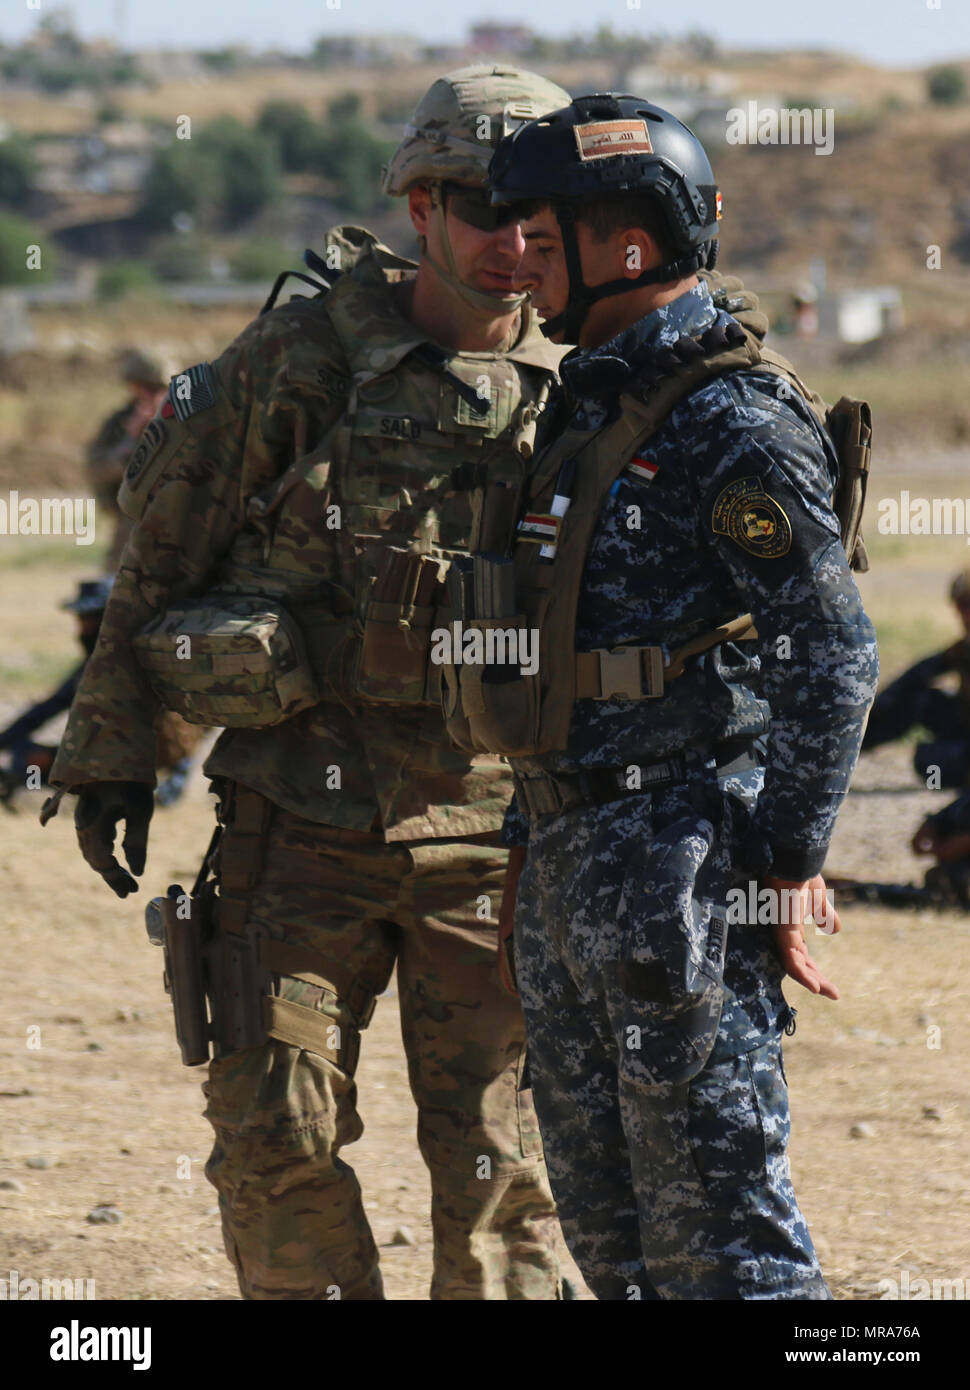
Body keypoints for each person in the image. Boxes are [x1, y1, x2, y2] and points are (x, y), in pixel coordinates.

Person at [42, 65, 573, 1301]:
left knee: (502, 1173)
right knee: (273, 1142)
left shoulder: (595, 380)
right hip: (296, 832)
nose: (509, 244)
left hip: (501, 847)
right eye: (480, 209)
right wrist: (118, 751)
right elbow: (160, 553)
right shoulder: (302, 356)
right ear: (419, 204)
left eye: (535, 220)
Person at [445, 92, 879, 1298]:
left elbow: (831, 656)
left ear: (627, 246)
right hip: (574, 858)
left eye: (548, 231)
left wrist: (782, 860)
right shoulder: (583, 409)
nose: (520, 253)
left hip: (680, 869)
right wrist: (532, 844)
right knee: (613, 1241)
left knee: (726, 1245)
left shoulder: (729, 418)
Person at [0, 579, 194, 808]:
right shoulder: (95, 665)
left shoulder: (141, 663)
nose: (82, 629)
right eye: (81, 619)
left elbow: (181, 730)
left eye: (89, 619)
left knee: (31, 760)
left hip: (128, 762)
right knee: (28, 755)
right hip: (106, 761)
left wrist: (171, 786)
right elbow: (48, 709)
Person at [860, 566, 970, 789]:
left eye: (966, 606)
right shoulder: (963, 649)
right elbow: (914, 679)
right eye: (960, 607)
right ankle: (845, 748)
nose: (962, 617)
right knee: (921, 701)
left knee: (929, 760)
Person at [86, 349, 169, 572]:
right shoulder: (120, 423)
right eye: (144, 389)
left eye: (158, 390)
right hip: (132, 524)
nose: (151, 397)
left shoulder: (188, 419)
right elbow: (97, 468)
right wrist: (131, 440)